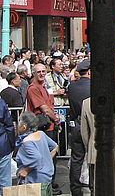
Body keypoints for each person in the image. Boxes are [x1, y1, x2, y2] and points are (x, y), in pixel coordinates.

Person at [81, 68, 115, 196]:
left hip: (94, 150)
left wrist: (90, 145)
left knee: (95, 186)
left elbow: (84, 132)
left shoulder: (86, 103)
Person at [26, 63, 62, 195]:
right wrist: (56, 118)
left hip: (49, 126)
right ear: (34, 74)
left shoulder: (44, 86)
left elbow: (49, 106)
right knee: (45, 158)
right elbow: (44, 108)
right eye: (38, 72)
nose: (41, 74)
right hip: (42, 128)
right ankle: (46, 185)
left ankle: (50, 183)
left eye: (43, 71)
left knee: (52, 156)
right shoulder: (33, 88)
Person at [66, 59, 91, 196]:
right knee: (93, 158)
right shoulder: (94, 86)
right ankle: (93, 186)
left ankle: (75, 190)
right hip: (90, 126)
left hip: (76, 125)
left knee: (76, 159)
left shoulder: (72, 86)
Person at [15, 111, 58, 185]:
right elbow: (55, 147)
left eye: (19, 122)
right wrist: (46, 162)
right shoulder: (41, 134)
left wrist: (26, 170)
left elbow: (37, 158)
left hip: (34, 179)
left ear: (24, 127)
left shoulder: (27, 141)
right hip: (46, 176)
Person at [0, 98, 15, 194]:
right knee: (5, 182)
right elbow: (9, 125)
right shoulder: (1, 102)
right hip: (3, 145)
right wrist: (11, 145)